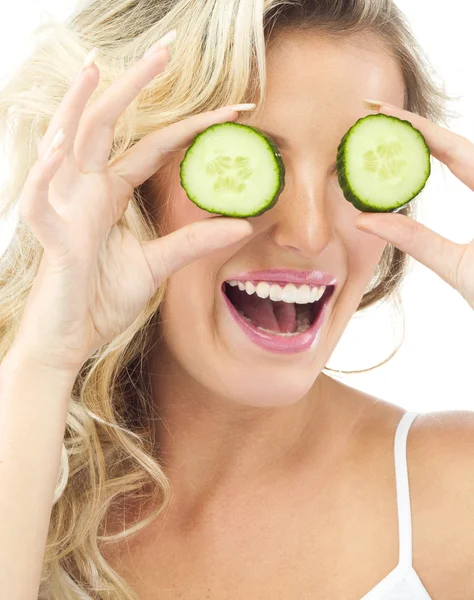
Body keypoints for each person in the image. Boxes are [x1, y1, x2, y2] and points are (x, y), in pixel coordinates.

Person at [0, 0, 473, 598]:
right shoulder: (18, 425)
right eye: (255, 158)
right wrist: (45, 362)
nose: (308, 232)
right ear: (131, 185)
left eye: (352, 170)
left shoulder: (456, 497)